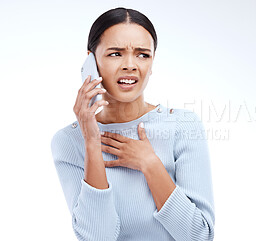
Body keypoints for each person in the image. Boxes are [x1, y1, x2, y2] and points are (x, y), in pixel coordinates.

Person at [50, 7, 215, 241]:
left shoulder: (183, 125)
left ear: (152, 61)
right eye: (115, 54)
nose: (130, 65)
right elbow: (98, 237)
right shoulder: (68, 141)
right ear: (91, 60)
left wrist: (149, 163)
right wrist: (91, 141)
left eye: (142, 54)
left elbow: (199, 236)